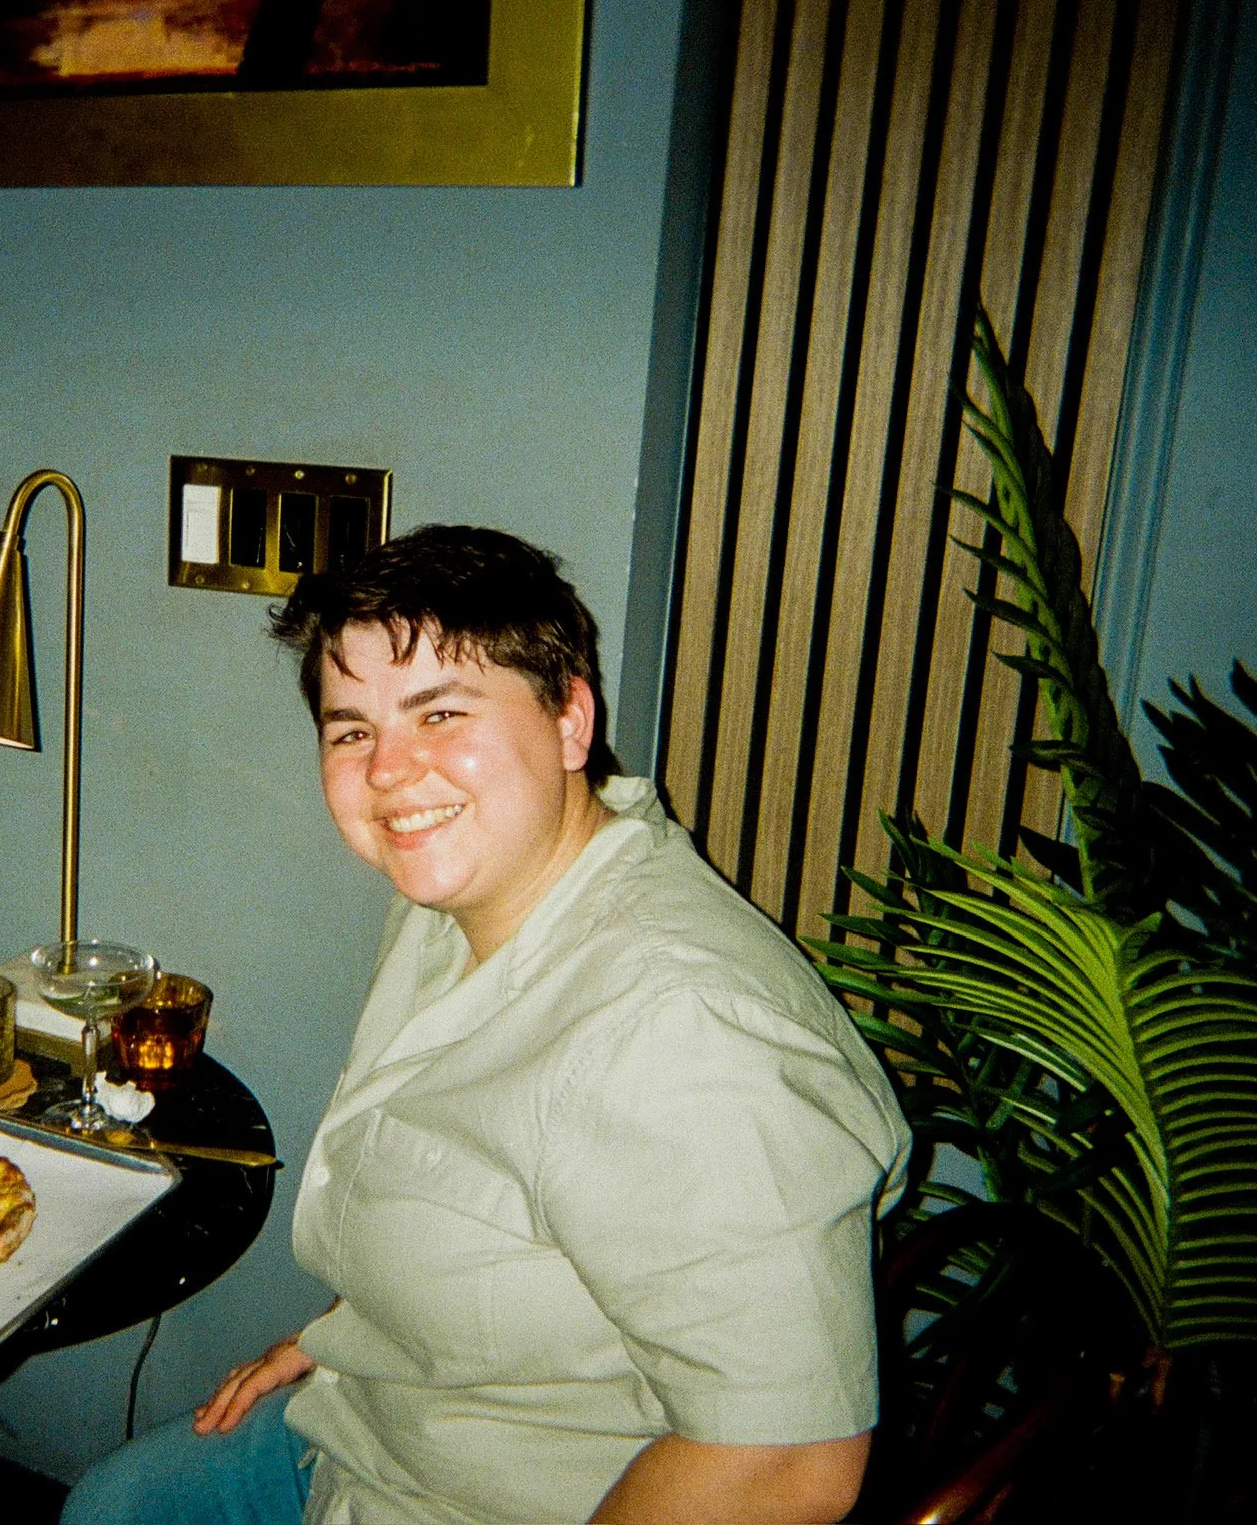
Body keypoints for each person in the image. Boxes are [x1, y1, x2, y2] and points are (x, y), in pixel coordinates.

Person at [63, 526, 912, 1525]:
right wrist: (357, 1328)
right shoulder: (465, 892)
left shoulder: (685, 1035)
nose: (388, 769)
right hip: (382, 1419)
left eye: (442, 712)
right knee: (113, 1503)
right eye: (351, 729)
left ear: (569, 721)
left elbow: (787, 1463)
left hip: (505, 1500)